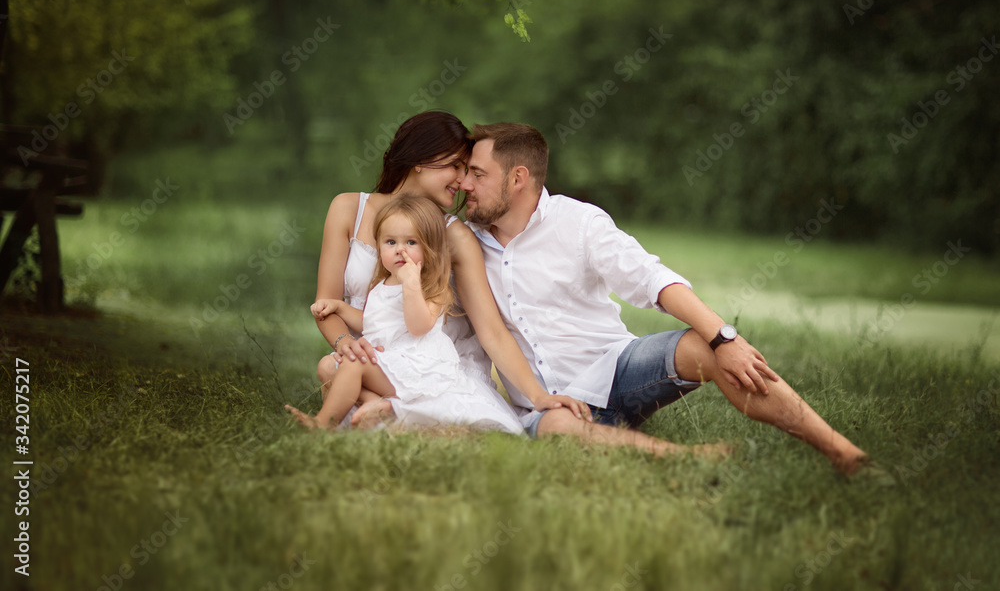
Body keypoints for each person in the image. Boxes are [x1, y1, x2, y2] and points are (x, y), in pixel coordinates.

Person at [458, 121, 870, 473]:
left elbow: (651, 278)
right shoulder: (463, 243)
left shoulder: (578, 222)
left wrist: (725, 339)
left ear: (518, 178)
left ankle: (843, 452)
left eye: (478, 174)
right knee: (553, 430)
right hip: (546, 404)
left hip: (616, 370)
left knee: (708, 347)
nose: (464, 184)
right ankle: (690, 458)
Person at [307, 111, 590, 428]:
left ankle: (398, 408)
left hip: (428, 365)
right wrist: (345, 341)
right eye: (455, 165)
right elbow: (326, 303)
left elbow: (490, 329)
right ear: (420, 159)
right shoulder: (348, 209)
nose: (463, 180)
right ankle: (379, 404)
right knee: (330, 367)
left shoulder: (453, 234)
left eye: (468, 169)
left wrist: (539, 397)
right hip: (370, 361)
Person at [286, 195, 524, 433]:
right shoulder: (382, 284)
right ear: (379, 246)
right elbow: (371, 322)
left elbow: (419, 326)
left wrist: (412, 285)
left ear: (430, 248)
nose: (400, 250)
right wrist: (338, 307)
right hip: (389, 362)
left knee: (352, 364)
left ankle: (322, 424)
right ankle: (376, 401)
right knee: (326, 366)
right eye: (390, 242)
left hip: (417, 367)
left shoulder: (431, 287)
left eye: (411, 242)